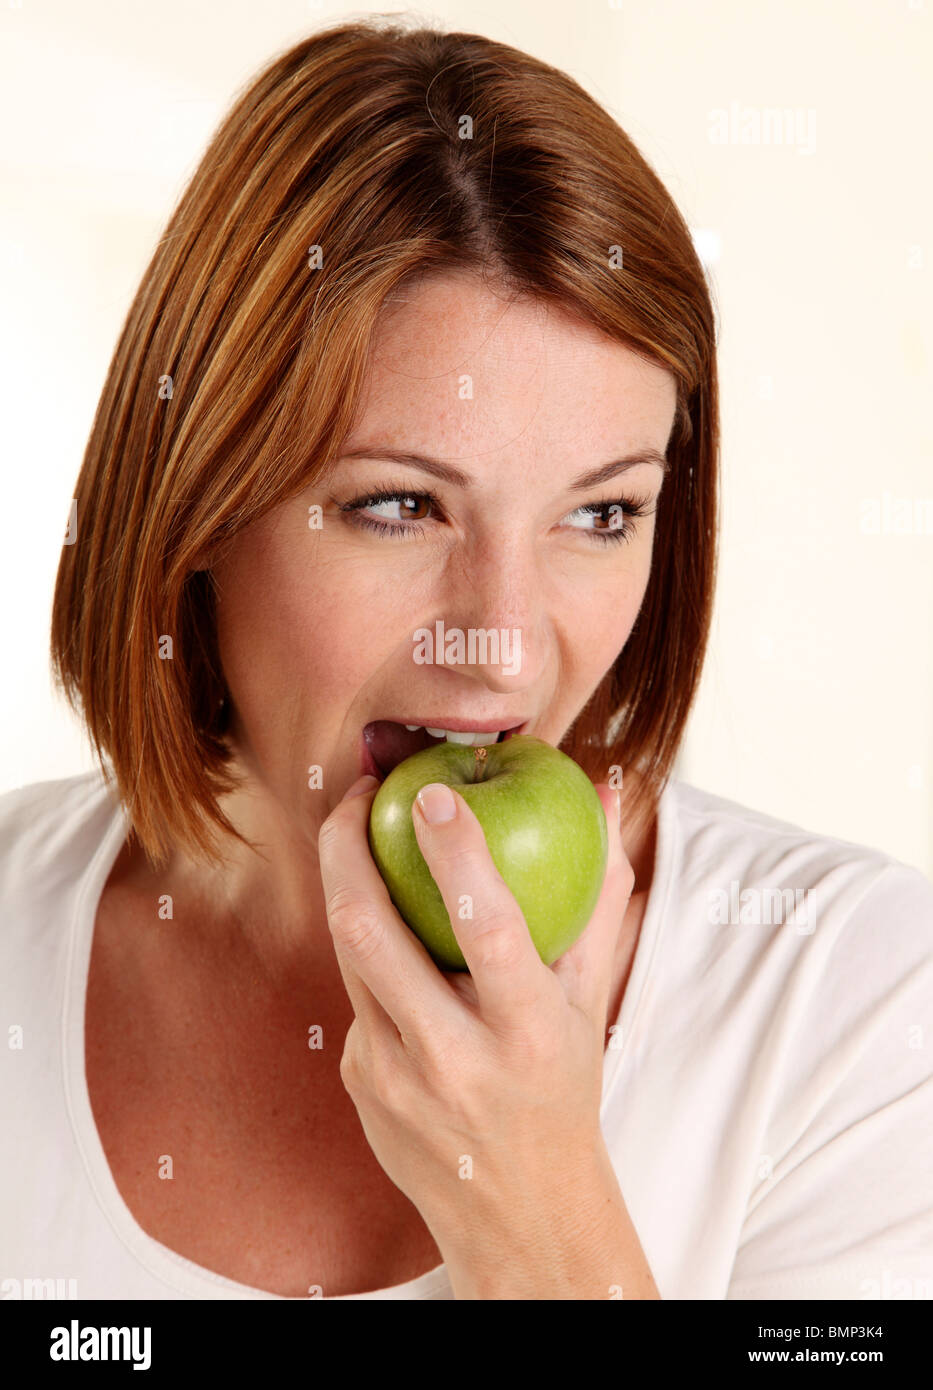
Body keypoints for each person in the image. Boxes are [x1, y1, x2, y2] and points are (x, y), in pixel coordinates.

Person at [1, 18, 930, 1303]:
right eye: (399, 505)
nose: (499, 647)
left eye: (600, 515)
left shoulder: (862, 1011)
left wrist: (542, 1214)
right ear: (199, 509)